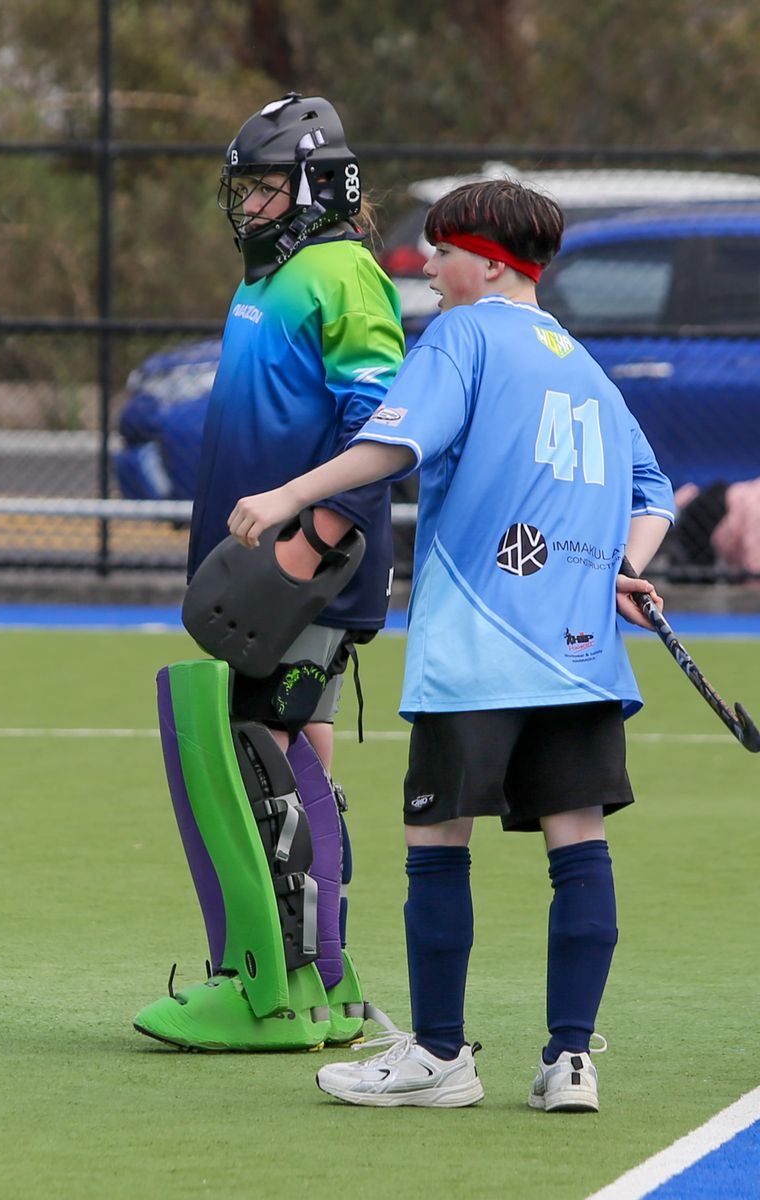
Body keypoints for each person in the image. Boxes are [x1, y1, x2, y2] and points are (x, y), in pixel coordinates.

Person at [227, 178, 675, 1107]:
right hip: (582, 652)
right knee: (578, 843)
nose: (427, 266)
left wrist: (288, 496)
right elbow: (653, 493)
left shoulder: (465, 337)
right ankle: (569, 1063)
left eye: (441, 250)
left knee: (436, 839)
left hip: (478, 647)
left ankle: (436, 1059)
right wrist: (627, 566)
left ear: (491, 263)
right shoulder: (585, 365)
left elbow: (396, 444)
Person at [133, 92, 404, 1051]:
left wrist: (308, 545)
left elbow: (380, 424)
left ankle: (269, 989)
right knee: (296, 752)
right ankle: (320, 980)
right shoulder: (271, 276)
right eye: (241, 188)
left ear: (319, 185)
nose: (246, 205)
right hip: (257, 557)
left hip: (303, 566)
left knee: (268, 751)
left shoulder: (343, 274)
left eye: (263, 188)